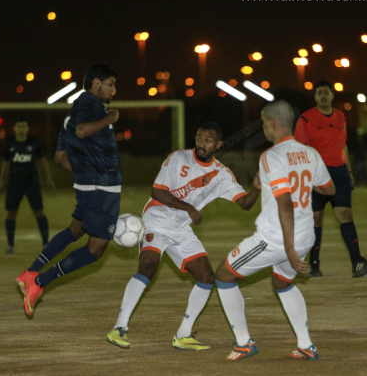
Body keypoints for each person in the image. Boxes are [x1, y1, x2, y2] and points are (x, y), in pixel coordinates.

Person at [107, 121, 261, 350]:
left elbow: (245, 204)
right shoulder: (178, 158)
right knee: (148, 266)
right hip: (156, 219)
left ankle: (183, 334)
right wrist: (188, 208)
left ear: (218, 144)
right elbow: (157, 191)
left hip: (180, 229)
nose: (201, 144)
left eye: (207, 141)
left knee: (207, 277)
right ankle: (119, 327)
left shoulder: (221, 174)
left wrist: (257, 188)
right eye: (199, 138)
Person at [215, 100, 335, 361]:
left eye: (263, 123)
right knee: (282, 282)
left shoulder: (271, 155)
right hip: (305, 236)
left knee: (224, 275)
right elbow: (329, 189)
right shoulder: (311, 153)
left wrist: (289, 249)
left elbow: (285, 204)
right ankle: (306, 345)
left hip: (276, 239)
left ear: (271, 124)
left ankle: (244, 342)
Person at [16, 63, 121, 316]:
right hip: (102, 187)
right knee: (96, 248)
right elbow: (84, 131)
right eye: (111, 84)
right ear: (96, 84)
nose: (114, 90)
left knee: (76, 229)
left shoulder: (72, 112)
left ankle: (30, 272)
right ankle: (39, 283)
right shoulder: (92, 106)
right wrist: (111, 118)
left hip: (88, 184)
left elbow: (61, 158)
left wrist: (85, 174)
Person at [294, 81, 367, 278]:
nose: (323, 95)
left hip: (339, 174)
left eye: (326, 92)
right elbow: (298, 150)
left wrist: (348, 171)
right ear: (315, 97)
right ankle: (314, 264)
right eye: (319, 93)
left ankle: (357, 263)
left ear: (332, 95)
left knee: (345, 215)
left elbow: (344, 145)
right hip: (316, 175)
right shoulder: (306, 119)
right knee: (316, 218)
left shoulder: (340, 116)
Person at [0, 117, 55, 254]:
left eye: (24, 126)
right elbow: (6, 163)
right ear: (15, 128)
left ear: (27, 129)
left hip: (32, 183)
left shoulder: (34, 142)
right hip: (14, 184)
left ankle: (46, 243)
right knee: (11, 213)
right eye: (19, 126)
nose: (22, 129)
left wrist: (48, 178)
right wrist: (2, 180)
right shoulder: (10, 143)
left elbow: (42, 162)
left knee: (39, 212)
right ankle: (10, 245)